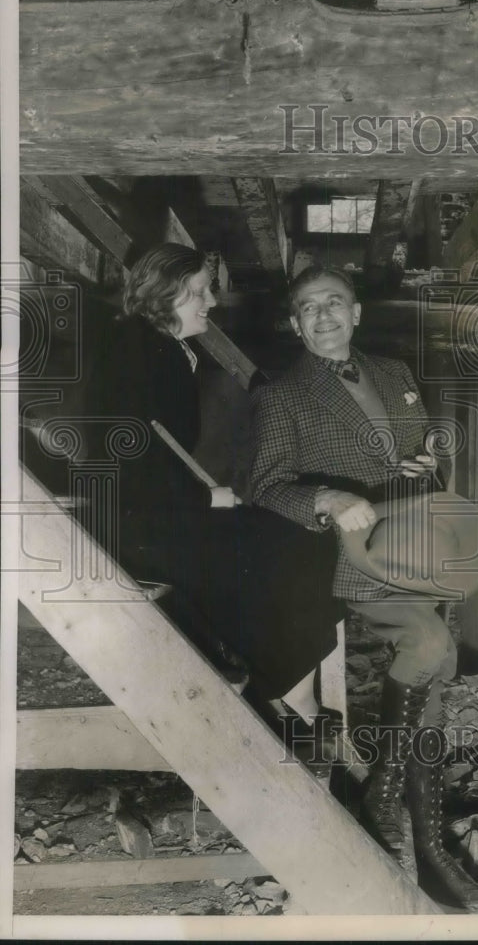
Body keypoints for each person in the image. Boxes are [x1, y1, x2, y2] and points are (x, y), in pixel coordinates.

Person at [250, 265, 478, 909]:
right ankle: (382, 792)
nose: (324, 316)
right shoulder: (281, 395)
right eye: (308, 308)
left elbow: (414, 449)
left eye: (335, 304)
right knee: (428, 641)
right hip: (348, 556)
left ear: (355, 314)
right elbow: (266, 487)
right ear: (294, 323)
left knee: (436, 672)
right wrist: (326, 494)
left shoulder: (395, 374)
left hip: (414, 543)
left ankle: (431, 847)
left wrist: (427, 460)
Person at [84, 243, 341, 724]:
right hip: (136, 526)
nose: (212, 302)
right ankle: (291, 692)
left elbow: (153, 451)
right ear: (168, 292)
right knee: (291, 544)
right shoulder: (138, 351)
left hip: (156, 513)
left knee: (298, 540)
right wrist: (205, 497)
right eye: (200, 291)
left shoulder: (162, 349)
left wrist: (207, 497)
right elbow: (123, 463)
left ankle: (288, 686)